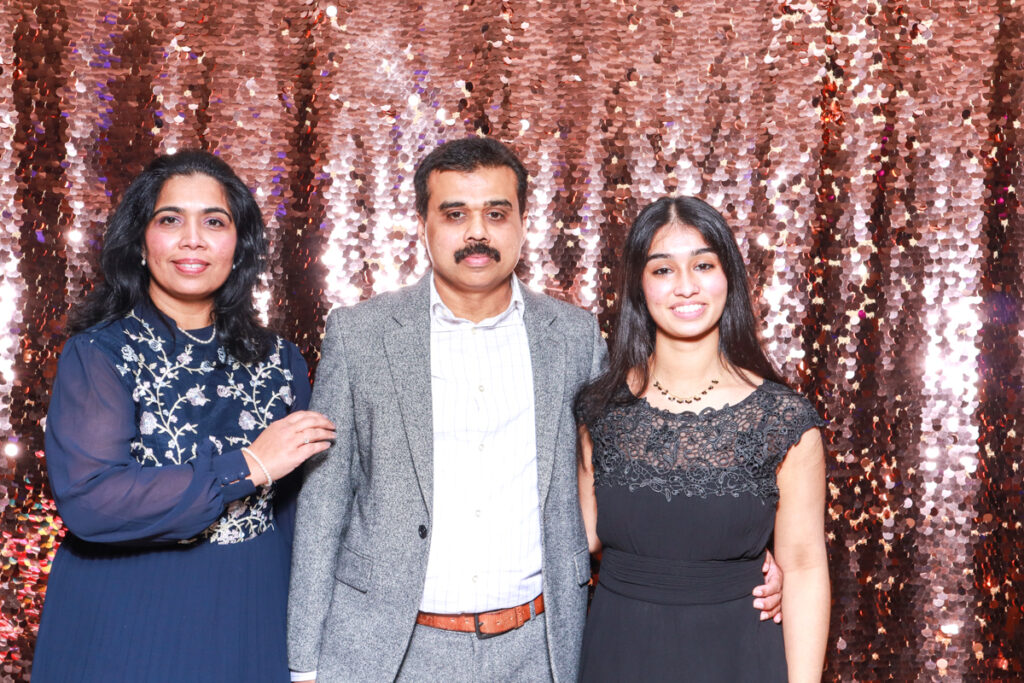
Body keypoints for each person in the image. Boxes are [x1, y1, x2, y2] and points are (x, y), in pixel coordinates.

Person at [286, 138, 782, 682]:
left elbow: (634, 474)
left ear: (523, 223)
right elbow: (325, 502)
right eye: (455, 213)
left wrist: (744, 556)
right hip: (390, 651)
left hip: (538, 650)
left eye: (496, 213)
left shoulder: (572, 337)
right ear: (423, 225)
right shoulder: (362, 335)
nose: (477, 231)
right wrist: (305, 663)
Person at [33, 150, 335, 683]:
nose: (192, 239)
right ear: (140, 242)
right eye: (170, 219)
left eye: (214, 222)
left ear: (239, 245)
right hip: (126, 614)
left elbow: (299, 516)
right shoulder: (101, 352)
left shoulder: (281, 359)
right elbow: (90, 500)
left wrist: (308, 645)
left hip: (253, 608)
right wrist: (246, 466)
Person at [575, 196, 830, 681]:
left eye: (703, 264)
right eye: (663, 270)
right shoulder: (599, 409)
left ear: (728, 275)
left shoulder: (782, 419)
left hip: (739, 656)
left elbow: (803, 567)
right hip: (619, 654)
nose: (686, 286)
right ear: (638, 285)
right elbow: (577, 539)